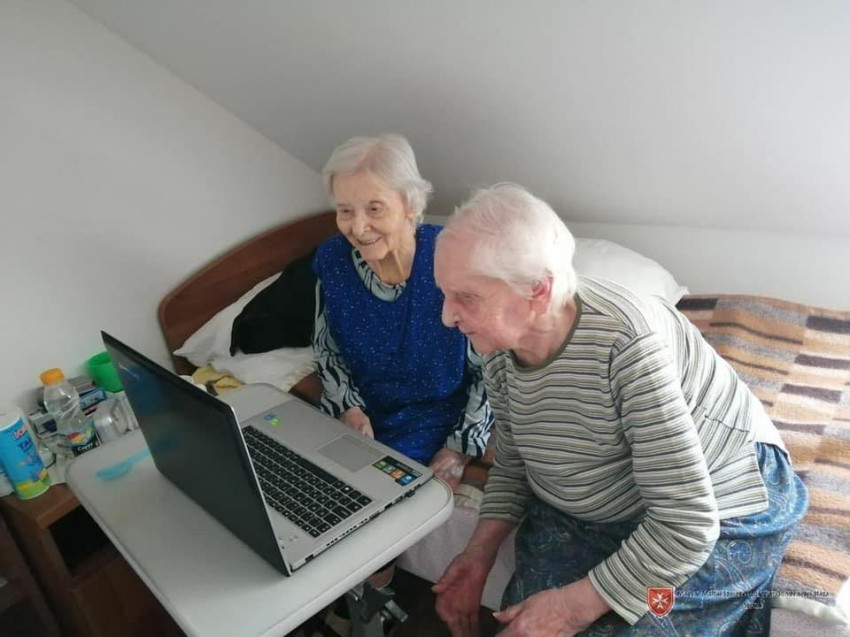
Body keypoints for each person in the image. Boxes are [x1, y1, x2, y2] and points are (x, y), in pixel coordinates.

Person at [432, 184, 808, 636]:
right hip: (602, 501)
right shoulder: (497, 348)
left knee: (642, 623)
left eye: (467, 297)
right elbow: (516, 461)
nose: (447, 317)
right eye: (445, 295)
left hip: (717, 495)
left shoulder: (627, 346)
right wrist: (477, 556)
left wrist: (570, 608)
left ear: (538, 291)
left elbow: (686, 524)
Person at [311, 134, 494, 634]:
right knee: (310, 487)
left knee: (373, 508)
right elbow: (326, 347)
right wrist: (348, 407)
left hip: (432, 410)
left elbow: (490, 367)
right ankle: (340, 597)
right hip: (361, 408)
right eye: (345, 211)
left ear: (411, 205)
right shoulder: (332, 261)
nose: (358, 227)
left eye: (374, 208)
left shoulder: (452, 260)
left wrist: (460, 447)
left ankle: (370, 607)